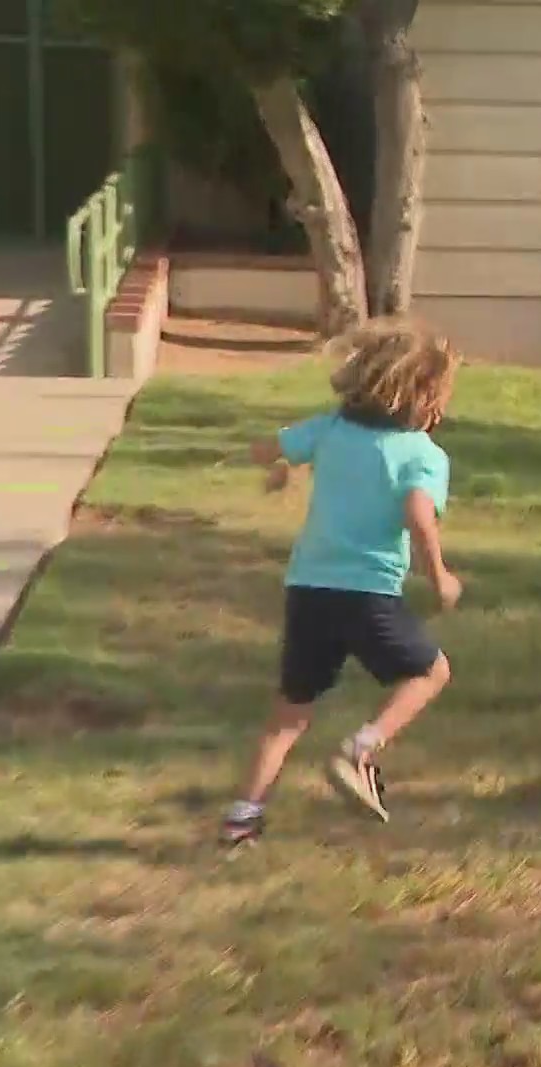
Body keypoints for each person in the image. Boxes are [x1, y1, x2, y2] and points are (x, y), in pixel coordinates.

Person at [223, 320, 463, 845]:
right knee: (431, 672)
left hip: (308, 590)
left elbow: (267, 448)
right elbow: (420, 517)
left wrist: (281, 466)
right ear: (422, 399)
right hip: (368, 593)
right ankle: (359, 750)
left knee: (287, 715)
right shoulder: (422, 455)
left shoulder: (331, 428)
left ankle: (241, 820)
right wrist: (440, 577)